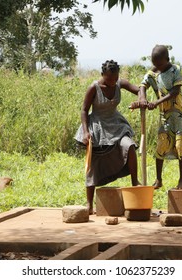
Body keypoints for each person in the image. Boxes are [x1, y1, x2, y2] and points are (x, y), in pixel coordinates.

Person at [75, 60, 141, 214]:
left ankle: (134, 184)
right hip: (97, 126)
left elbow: (139, 90)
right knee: (93, 163)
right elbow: (84, 110)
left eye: (115, 78)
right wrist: (85, 132)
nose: (112, 82)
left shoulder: (120, 83)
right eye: (109, 79)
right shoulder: (94, 87)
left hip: (116, 124)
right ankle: (89, 204)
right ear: (102, 75)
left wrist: (141, 99)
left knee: (129, 145)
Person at [135, 45, 182, 189]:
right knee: (161, 146)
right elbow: (142, 86)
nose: (157, 67)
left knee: (181, 146)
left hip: (179, 115)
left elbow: (174, 91)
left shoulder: (176, 70)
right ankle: (159, 179)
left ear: (167, 59)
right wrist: (142, 98)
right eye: (155, 64)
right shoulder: (153, 73)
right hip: (164, 116)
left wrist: (156, 102)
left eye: (160, 64)